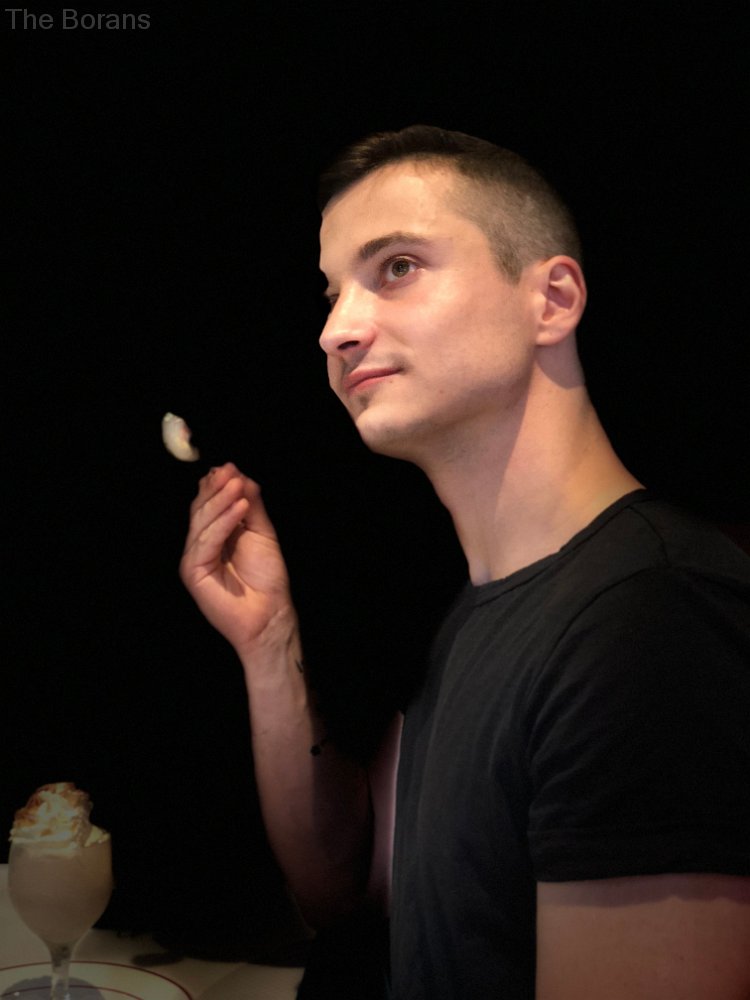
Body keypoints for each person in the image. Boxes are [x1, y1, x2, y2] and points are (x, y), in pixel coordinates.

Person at [180, 126, 750, 998]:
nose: (336, 330)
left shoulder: (655, 617)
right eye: (332, 294)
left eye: (397, 267)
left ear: (551, 300)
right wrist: (268, 645)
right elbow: (348, 887)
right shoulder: (488, 609)